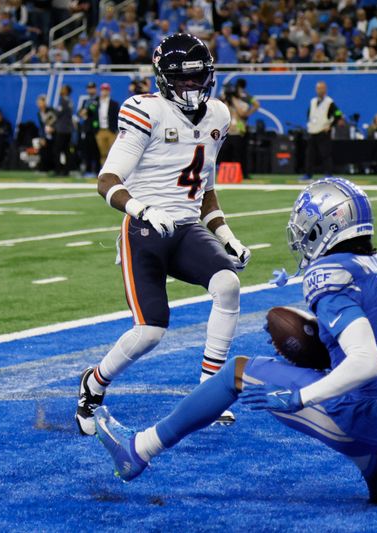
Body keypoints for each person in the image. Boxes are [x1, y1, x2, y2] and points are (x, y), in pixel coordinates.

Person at [95, 178, 377, 506]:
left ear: (327, 225)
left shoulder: (330, 272)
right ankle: (374, 466)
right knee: (301, 373)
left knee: (238, 373)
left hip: (364, 416)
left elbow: (366, 361)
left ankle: (137, 450)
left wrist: (301, 396)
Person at [75, 33, 251, 436]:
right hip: (144, 229)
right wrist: (143, 208)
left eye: (197, 78)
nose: (191, 87)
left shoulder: (219, 115)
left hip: (187, 227)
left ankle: (209, 390)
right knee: (150, 331)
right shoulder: (143, 110)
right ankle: (94, 382)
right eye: (182, 79)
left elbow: (204, 188)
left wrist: (226, 235)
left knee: (228, 285)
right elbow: (107, 180)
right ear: (163, 79)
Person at [302, 81, 343, 180]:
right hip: (312, 130)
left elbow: (338, 114)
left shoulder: (329, 102)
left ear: (325, 89)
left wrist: (331, 125)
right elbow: (310, 114)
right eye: (318, 88)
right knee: (310, 155)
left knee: (325, 154)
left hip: (323, 131)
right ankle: (308, 174)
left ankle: (328, 174)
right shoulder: (313, 101)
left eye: (322, 88)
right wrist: (309, 124)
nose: (320, 90)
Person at [219, 79, 259, 180]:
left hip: (239, 131)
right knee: (225, 153)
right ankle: (225, 174)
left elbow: (242, 113)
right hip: (227, 131)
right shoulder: (225, 101)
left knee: (240, 154)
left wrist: (233, 100)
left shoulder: (242, 101)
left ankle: (243, 173)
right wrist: (225, 99)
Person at [78, 81, 101, 177]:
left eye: (92, 88)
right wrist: (82, 112)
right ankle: (87, 170)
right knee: (87, 150)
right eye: (89, 88)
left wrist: (86, 111)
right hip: (87, 128)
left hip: (96, 128)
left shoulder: (98, 99)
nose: (90, 90)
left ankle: (97, 170)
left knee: (96, 150)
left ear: (95, 89)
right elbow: (80, 113)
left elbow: (93, 110)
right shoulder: (85, 100)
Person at [95, 82, 119, 166]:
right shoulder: (96, 103)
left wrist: (116, 130)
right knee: (102, 153)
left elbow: (117, 117)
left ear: (109, 91)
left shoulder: (114, 104)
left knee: (112, 152)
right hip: (100, 130)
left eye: (106, 90)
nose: (104, 92)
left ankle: (113, 171)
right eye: (103, 90)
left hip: (110, 130)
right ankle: (103, 171)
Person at [53, 84, 74, 176]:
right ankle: (66, 170)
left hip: (62, 129)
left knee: (57, 150)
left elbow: (57, 113)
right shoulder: (70, 101)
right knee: (66, 151)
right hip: (68, 129)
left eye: (63, 89)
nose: (61, 90)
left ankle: (58, 170)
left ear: (66, 91)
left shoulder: (62, 101)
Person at [35, 94, 56, 172]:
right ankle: (44, 168)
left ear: (45, 102)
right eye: (38, 103)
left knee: (53, 151)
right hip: (46, 135)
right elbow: (42, 126)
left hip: (54, 134)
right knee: (43, 151)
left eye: (40, 102)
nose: (39, 104)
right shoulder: (39, 113)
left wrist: (53, 129)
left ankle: (54, 168)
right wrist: (42, 137)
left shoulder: (51, 111)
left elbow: (55, 122)